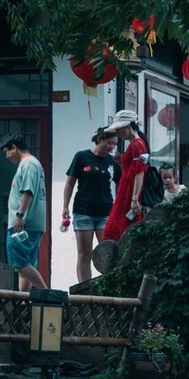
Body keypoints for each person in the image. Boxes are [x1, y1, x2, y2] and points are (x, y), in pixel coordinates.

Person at [62, 127, 118, 283]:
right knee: (84, 253)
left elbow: (122, 181)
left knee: (107, 252)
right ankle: (84, 290)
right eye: (109, 143)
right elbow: (70, 183)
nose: (112, 147)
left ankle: (108, 286)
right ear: (99, 140)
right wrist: (65, 206)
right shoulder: (81, 157)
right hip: (83, 211)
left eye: (114, 144)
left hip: (105, 212)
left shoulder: (111, 161)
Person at [2, 134, 48, 291]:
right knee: (25, 264)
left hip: (24, 223)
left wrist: (19, 216)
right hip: (32, 222)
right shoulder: (33, 164)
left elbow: (27, 192)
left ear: (14, 148)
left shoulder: (28, 164)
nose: (6, 156)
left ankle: (46, 293)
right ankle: (24, 301)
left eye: (6, 151)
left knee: (19, 263)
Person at [101, 110, 149, 242]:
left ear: (127, 126)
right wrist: (122, 160)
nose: (118, 133)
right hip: (127, 189)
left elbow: (140, 172)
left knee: (117, 228)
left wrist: (134, 198)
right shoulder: (135, 144)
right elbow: (133, 169)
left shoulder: (137, 144)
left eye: (119, 129)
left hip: (129, 191)